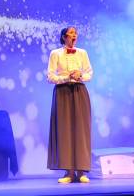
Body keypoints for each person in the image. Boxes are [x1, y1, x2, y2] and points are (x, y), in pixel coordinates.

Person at [47, 26, 93, 183]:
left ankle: (82, 171)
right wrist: (65, 78)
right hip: (62, 93)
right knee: (65, 131)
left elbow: (89, 72)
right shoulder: (55, 54)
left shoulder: (82, 53)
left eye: (76, 34)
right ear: (64, 37)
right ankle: (69, 172)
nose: (74, 36)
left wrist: (81, 75)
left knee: (81, 131)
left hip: (79, 92)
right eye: (71, 34)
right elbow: (50, 76)